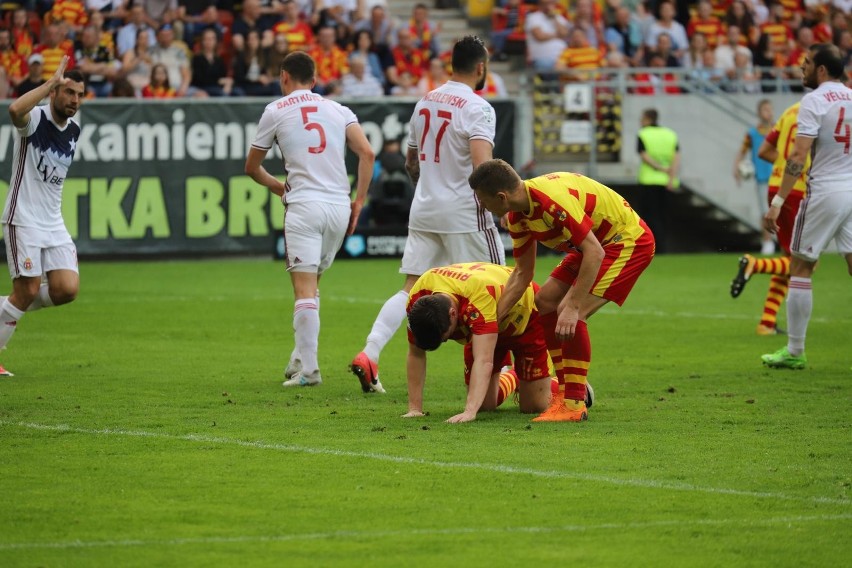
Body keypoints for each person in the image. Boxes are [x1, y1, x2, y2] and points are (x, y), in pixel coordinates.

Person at [349, 35, 504, 394]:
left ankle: (370, 353)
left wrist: (430, 186)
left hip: (424, 209)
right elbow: (482, 169)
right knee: (500, 287)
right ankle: (509, 373)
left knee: (410, 289)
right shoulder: (479, 108)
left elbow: (410, 161)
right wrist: (502, 206)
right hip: (466, 214)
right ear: (481, 68)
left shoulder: (425, 101)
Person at [469, 159, 655, 422]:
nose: (482, 207)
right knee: (544, 302)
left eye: (483, 201)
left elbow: (595, 251)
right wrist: (490, 323)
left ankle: (573, 403)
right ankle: (566, 394)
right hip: (592, 247)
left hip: (625, 242)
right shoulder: (517, 217)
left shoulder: (550, 202)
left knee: (570, 313)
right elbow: (522, 274)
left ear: (501, 197)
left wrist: (574, 306)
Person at [244, 51, 375, 387]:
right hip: (338, 206)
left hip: (305, 205)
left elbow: (251, 167)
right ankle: (301, 356)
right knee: (313, 287)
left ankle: (310, 372)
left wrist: (278, 187)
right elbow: (367, 153)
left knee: (303, 291)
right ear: (315, 81)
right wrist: (358, 200)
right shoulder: (339, 109)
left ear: (284, 77)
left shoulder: (275, 110)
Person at [761, 43, 852, 370]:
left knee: (800, 266)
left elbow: (798, 156)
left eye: (807, 63)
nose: (802, 68)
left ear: (822, 70)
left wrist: (778, 201)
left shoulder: (814, 100)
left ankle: (795, 351)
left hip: (825, 190)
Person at [0, 57, 85, 377]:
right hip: (23, 217)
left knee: (66, 289)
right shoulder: (34, 119)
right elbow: (13, 111)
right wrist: (49, 82)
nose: (74, 100)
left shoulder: (74, 129)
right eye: (68, 92)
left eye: (79, 94)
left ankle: (6, 307)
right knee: (28, 290)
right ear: (54, 93)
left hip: (53, 222)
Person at [404, 263, 553, 423]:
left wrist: (469, 411)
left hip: (524, 313)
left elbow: (484, 360)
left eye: (445, 336)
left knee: (534, 406)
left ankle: (567, 386)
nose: (446, 341)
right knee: (485, 405)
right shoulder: (417, 299)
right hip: (484, 324)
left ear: (453, 314)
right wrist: (415, 409)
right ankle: (516, 376)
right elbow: (416, 353)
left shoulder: (477, 301)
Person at [730, 100, 810, 336]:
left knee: (790, 257)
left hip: (775, 184)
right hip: (796, 189)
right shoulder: (819, 112)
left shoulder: (787, 114)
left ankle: (766, 322)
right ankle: (755, 264)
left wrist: (785, 166)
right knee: (806, 262)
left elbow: (764, 151)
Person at [733, 99, 775, 255]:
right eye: (765, 109)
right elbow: (742, 151)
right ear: (759, 112)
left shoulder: (779, 129)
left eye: (770, 109)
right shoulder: (752, 133)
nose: (768, 112)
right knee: (765, 211)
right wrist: (736, 169)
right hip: (762, 177)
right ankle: (767, 242)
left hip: (780, 176)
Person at [636, 108, 679, 253]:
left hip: (648, 181)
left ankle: (651, 248)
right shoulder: (670, 134)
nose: (640, 121)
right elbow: (676, 157)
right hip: (667, 182)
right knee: (664, 217)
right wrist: (671, 177)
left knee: (649, 218)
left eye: (642, 117)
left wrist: (660, 168)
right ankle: (664, 248)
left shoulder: (643, 133)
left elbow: (644, 155)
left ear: (648, 118)